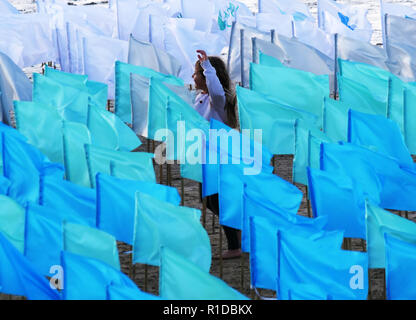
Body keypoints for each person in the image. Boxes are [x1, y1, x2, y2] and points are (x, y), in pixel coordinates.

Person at [192, 49, 241, 259]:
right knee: (207, 198)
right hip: (205, 155)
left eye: (196, 73)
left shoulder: (217, 101)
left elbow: (218, 92)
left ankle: (235, 244)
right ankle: (237, 229)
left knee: (217, 199)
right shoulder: (200, 98)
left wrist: (207, 68)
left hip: (219, 155)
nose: (193, 76)